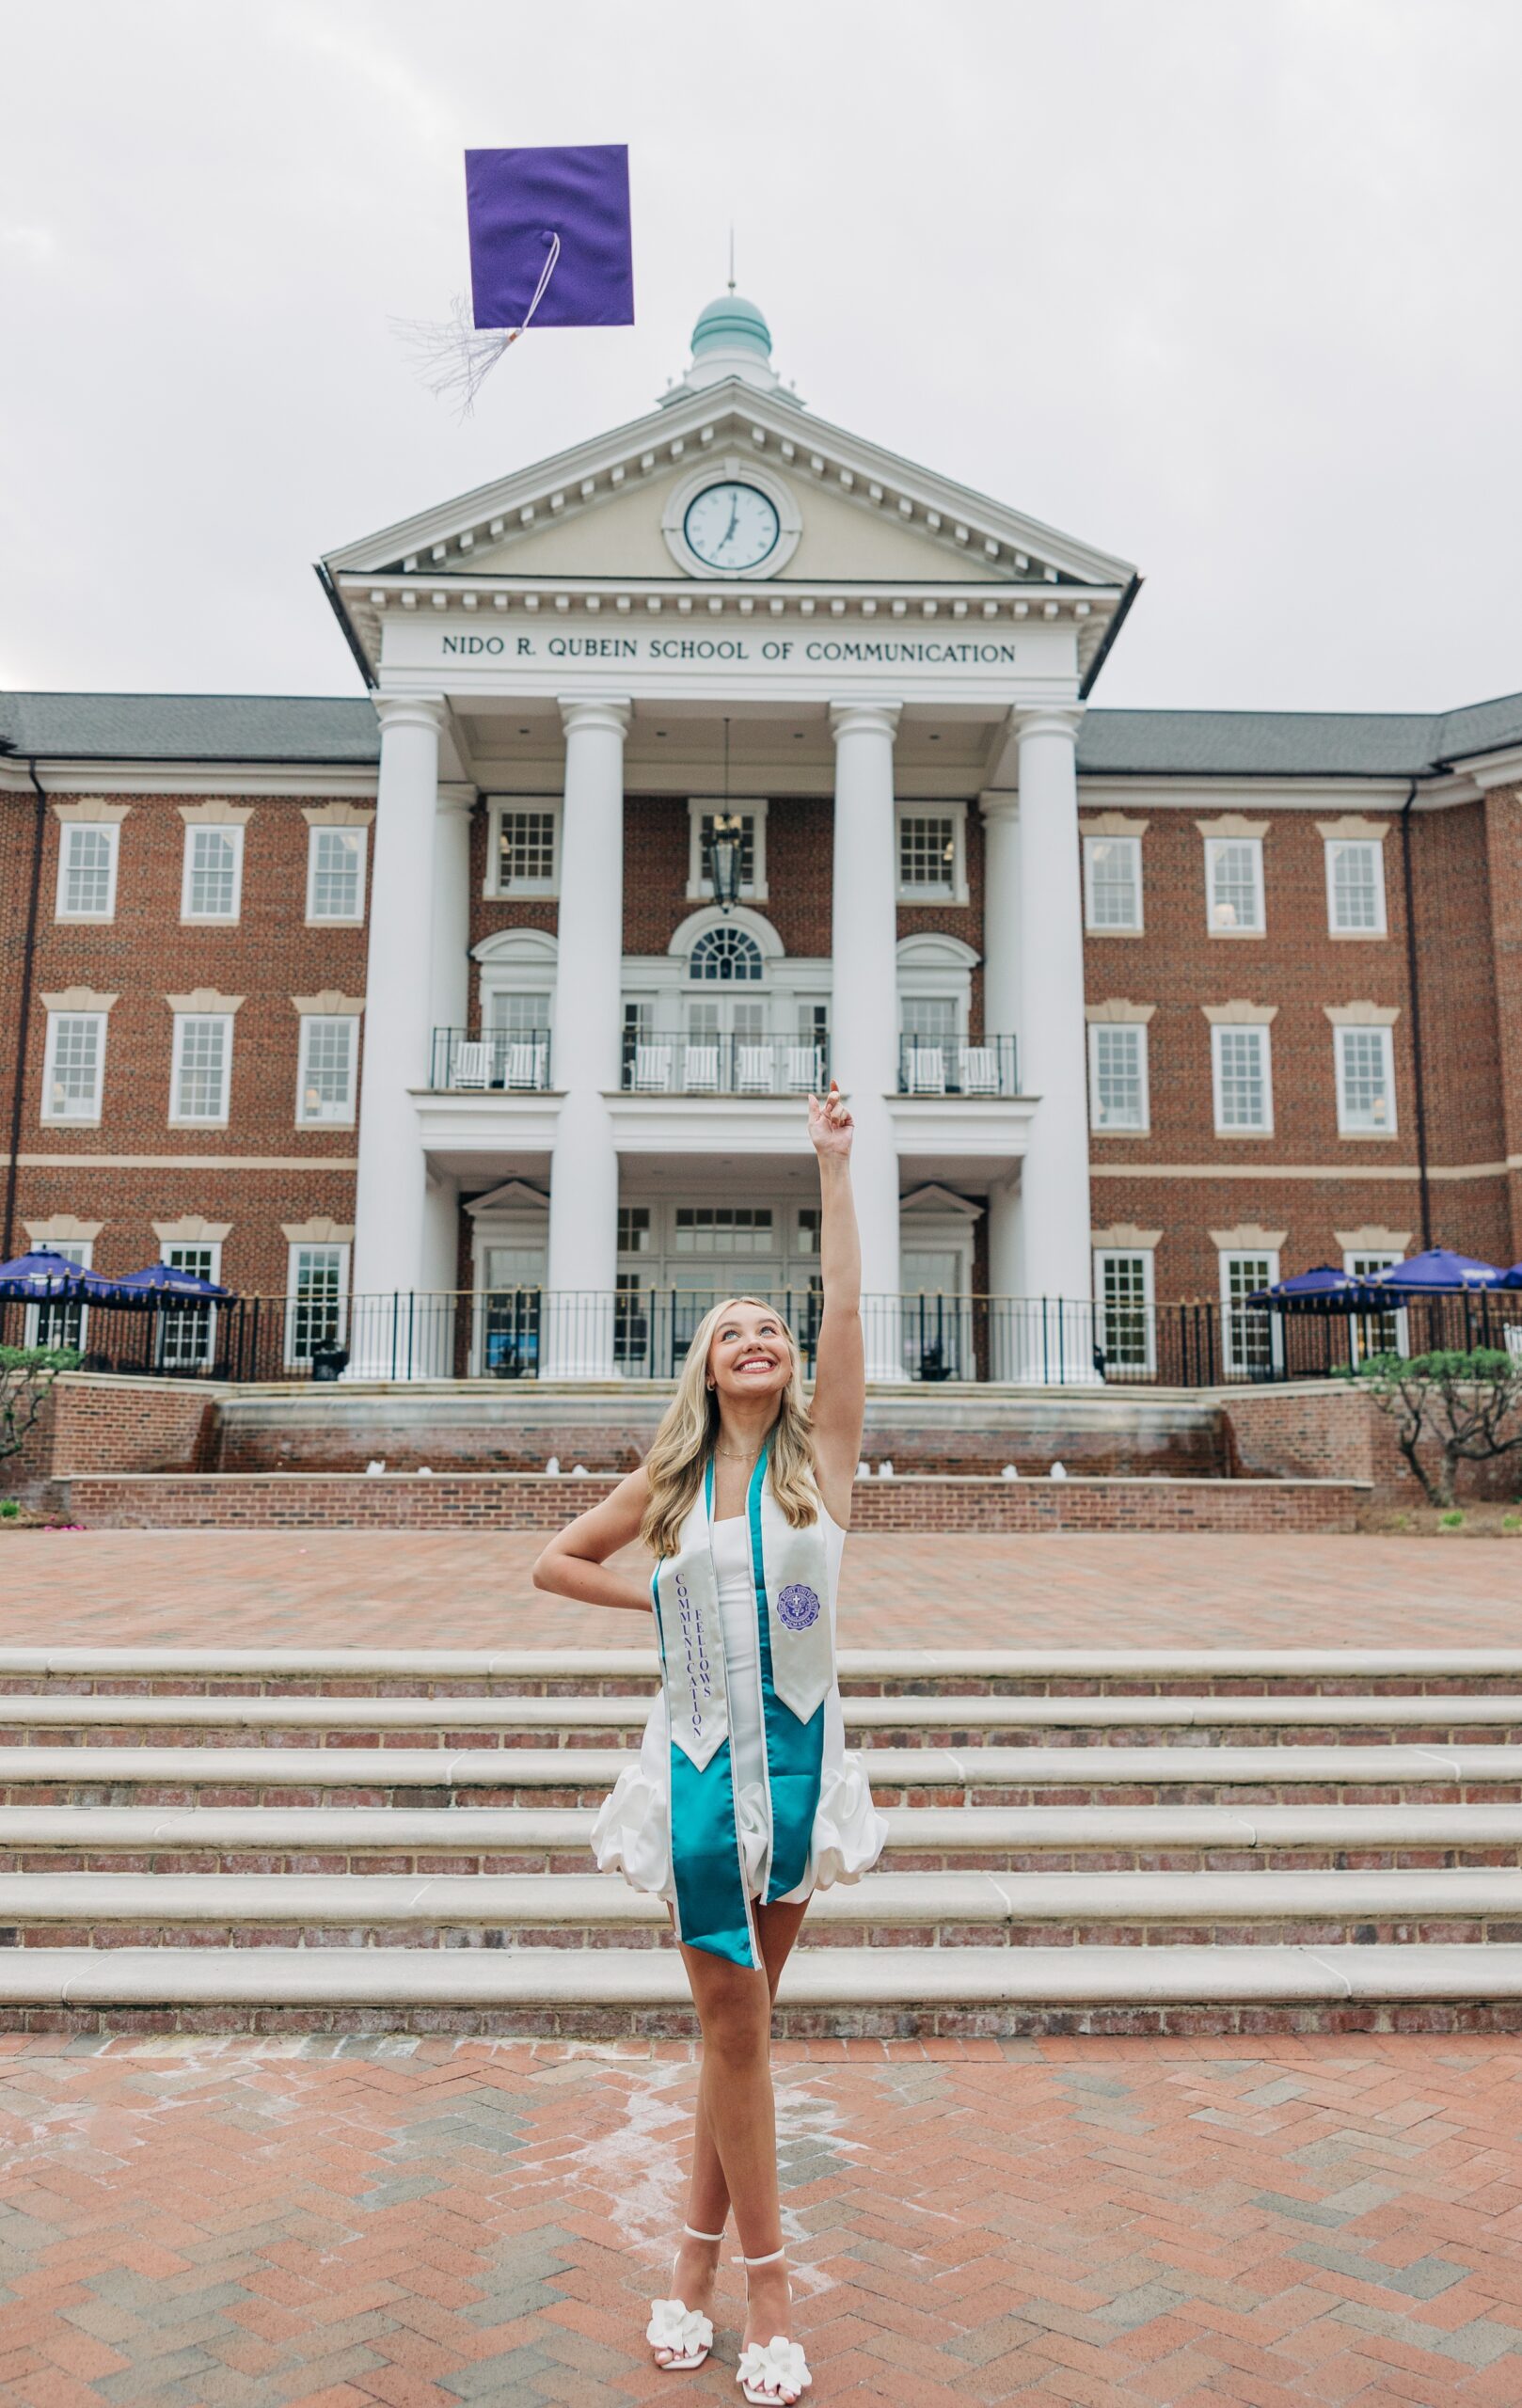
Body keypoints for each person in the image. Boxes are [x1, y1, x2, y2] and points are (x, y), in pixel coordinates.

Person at [533, 1083, 886, 2403]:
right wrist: (669, 1602)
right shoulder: (670, 1486)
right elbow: (553, 1564)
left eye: (772, 1328)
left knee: (731, 2032)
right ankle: (769, 2284)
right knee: (733, 2023)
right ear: (700, 1365)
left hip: (797, 1772)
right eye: (732, 1328)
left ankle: (687, 2265)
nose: (763, 1337)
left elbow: (848, 1311)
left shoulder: (821, 1467)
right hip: (689, 1776)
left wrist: (833, 1168)